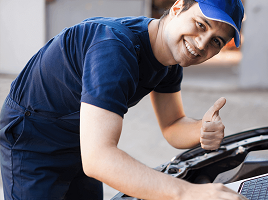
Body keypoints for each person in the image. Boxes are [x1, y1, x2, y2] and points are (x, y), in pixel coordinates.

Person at [0, 0, 245, 199]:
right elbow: (98, 159)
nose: (202, 44)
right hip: (33, 142)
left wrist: (200, 130)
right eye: (201, 25)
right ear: (178, 7)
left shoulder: (169, 62)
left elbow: (172, 126)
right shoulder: (114, 49)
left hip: (82, 140)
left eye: (216, 41)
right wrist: (188, 193)